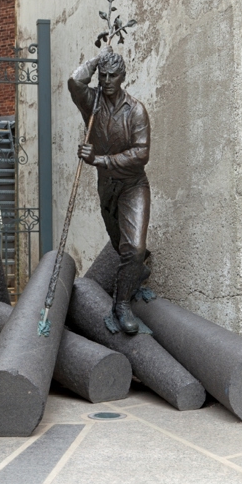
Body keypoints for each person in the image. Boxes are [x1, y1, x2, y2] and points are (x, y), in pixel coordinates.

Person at [68, 45, 151, 335]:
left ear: (123, 76)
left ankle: (121, 305)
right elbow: (74, 81)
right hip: (107, 187)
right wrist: (96, 59)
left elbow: (141, 154)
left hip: (133, 186)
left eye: (112, 75)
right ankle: (136, 272)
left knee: (135, 248)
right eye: (102, 75)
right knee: (120, 245)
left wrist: (99, 160)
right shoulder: (92, 103)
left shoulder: (136, 111)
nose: (106, 81)